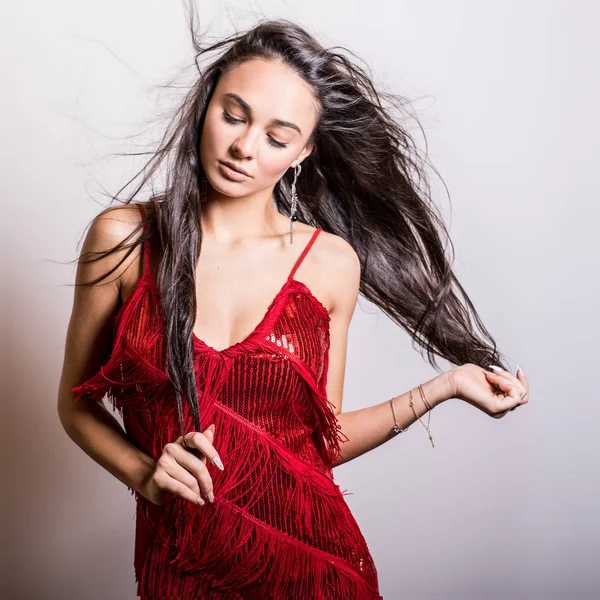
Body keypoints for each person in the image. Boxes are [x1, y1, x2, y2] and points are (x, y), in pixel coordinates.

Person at [57, 16, 530, 599]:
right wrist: (147, 476)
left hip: (318, 570)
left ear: (303, 151)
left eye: (277, 137)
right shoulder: (124, 239)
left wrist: (448, 384)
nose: (244, 147)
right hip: (182, 567)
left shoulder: (329, 264)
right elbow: (74, 407)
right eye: (233, 114)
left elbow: (322, 444)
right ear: (205, 105)